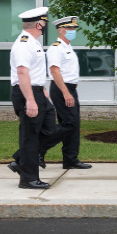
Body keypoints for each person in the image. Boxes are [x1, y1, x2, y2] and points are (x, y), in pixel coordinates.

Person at [6, 7, 55, 189]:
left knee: (50, 128)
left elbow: (34, 72)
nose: (45, 27)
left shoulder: (33, 43)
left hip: (37, 91)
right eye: (44, 24)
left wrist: (42, 90)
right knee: (30, 137)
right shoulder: (24, 44)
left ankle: (20, 160)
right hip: (27, 94)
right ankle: (28, 179)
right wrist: (30, 100)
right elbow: (22, 72)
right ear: (38, 24)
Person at [40, 16, 92, 170]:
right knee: (69, 124)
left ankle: (70, 159)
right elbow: (54, 71)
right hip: (62, 89)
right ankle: (37, 149)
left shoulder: (67, 47)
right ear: (60, 30)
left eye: (73, 28)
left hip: (70, 89)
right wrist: (65, 93)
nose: (72, 31)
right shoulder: (56, 48)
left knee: (73, 125)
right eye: (69, 28)